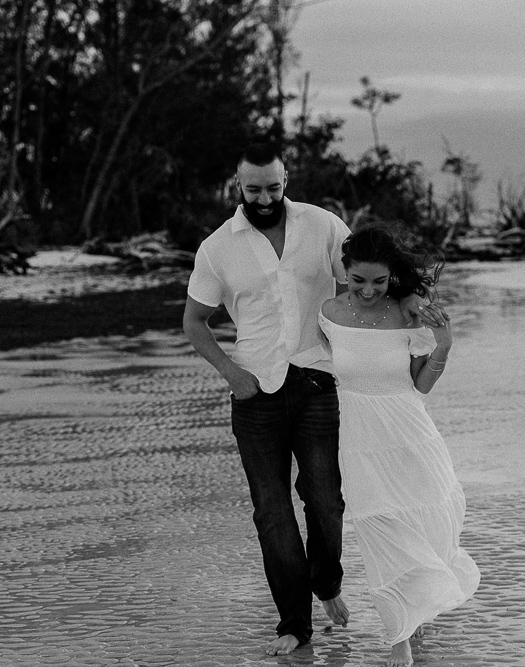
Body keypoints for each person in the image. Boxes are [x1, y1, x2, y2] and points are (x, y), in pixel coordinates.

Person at [182, 144, 431, 655]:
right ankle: (294, 625)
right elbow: (193, 322)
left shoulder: (322, 225)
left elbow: (367, 272)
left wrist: (406, 296)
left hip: (319, 381)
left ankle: (328, 580)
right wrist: (231, 373)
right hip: (255, 393)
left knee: (326, 501)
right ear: (238, 185)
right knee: (271, 512)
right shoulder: (217, 248)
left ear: (286, 177)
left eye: (274, 186)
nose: (266, 197)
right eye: (254, 189)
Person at [318, 223, 480, 667]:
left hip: (409, 432)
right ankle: (399, 637)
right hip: (359, 440)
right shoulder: (328, 314)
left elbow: (421, 384)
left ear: (393, 277)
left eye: (380, 281)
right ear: (344, 273)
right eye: (359, 280)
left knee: (423, 524)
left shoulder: (408, 313)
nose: (369, 291)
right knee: (378, 528)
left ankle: (416, 615)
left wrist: (443, 342)